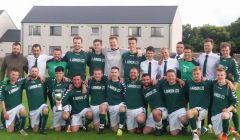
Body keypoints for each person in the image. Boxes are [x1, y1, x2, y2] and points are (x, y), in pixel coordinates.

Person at [196, 38, 220, 128]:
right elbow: (195, 65)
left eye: (208, 45)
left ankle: (210, 125)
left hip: (211, 84)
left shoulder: (217, 58)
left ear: (212, 46)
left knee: (210, 105)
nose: (206, 47)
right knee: (201, 105)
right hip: (202, 84)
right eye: (205, 45)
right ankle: (200, 125)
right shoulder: (200, 56)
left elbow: (220, 70)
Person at [219, 42, 240, 136]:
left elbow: (237, 76)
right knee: (225, 107)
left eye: (226, 50)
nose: (225, 52)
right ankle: (226, 130)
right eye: (223, 50)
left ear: (229, 51)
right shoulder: (219, 60)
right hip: (220, 85)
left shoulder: (232, 61)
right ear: (221, 51)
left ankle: (237, 129)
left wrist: (234, 86)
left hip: (229, 87)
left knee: (233, 107)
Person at [158, 69, 188, 135]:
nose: (170, 77)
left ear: (175, 76)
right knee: (174, 134)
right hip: (171, 111)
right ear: (166, 77)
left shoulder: (181, 84)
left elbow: (188, 95)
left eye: (172, 76)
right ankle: (169, 123)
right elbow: (155, 82)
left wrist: (186, 108)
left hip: (180, 109)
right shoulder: (163, 84)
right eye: (168, 76)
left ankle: (184, 127)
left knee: (184, 120)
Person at [211, 67, 238, 140]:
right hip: (215, 114)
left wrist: (228, 109)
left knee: (225, 115)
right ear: (216, 76)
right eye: (218, 75)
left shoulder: (228, 87)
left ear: (225, 75)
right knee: (218, 136)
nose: (220, 77)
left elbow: (235, 102)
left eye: (222, 75)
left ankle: (225, 134)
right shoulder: (214, 84)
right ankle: (229, 130)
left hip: (224, 112)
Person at [185, 67, 212, 140]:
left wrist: (230, 83)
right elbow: (180, 81)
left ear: (201, 74)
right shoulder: (189, 82)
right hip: (194, 110)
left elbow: (219, 81)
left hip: (203, 109)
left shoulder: (207, 83)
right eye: (194, 74)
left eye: (198, 74)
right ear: (192, 75)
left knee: (189, 113)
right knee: (188, 116)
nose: (196, 75)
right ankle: (205, 129)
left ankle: (195, 135)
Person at [0, 68, 28, 135]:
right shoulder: (4, 85)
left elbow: (30, 76)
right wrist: (4, 113)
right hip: (9, 110)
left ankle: (21, 129)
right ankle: (13, 122)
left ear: (18, 76)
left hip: (18, 106)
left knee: (23, 111)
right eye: (13, 74)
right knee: (10, 131)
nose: (14, 76)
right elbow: (2, 100)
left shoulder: (20, 82)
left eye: (16, 75)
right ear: (10, 74)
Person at [45, 66, 71, 132]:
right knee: (57, 130)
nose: (58, 75)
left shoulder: (67, 81)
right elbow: (42, 79)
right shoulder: (51, 81)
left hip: (65, 105)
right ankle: (63, 125)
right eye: (57, 73)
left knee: (65, 116)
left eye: (60, 73)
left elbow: (77, 82)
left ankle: (69, 123)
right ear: (55, 73)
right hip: (57, 105)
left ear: (63, 73)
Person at [25, 66, 49, 134]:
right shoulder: (26, 82)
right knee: (35, 130)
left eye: (36, 71)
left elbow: (54, 79)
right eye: (32, 71)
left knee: (45, 110)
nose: (34, 72)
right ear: (30, 72)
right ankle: (37, 124)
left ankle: (42, 129)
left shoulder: (42, 80)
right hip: (33, 109)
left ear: (38, 72)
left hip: (41, 105)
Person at [125, 68, 146, 134]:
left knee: (140, 119)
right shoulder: (126, 82)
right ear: (129, 74)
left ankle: (141, 125)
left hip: (139, 109)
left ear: (138, 74)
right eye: (131, 72)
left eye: (134, 72)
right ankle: (132, 124)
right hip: (129, 109)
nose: (133, 74)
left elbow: (149, 84)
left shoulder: (142, 83)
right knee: (131, 131)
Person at [106, 66, 126, 136]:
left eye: (115, 72)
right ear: (110, 73)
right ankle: (123, 123)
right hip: (111, 106)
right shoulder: (107, 81)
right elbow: (99, 75)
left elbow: (125, 95)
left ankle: (120, 129)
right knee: (114, 130)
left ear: (118, 73)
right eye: (112, 72)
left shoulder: (122, 83)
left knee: (122, 109)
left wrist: (125, 104)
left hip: (120, 104)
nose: (114, 74)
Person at [87, 68, 108, 133]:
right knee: (97, 129)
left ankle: (102, 125)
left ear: (102, 74)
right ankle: (102, 121)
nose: (97, 75)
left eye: (99, 74)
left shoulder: (105, 81)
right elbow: (88, 92)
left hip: (103, 104)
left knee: (102, 106)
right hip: (94, 105)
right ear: (93, 75)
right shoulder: (91, 81)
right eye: (95, 74)